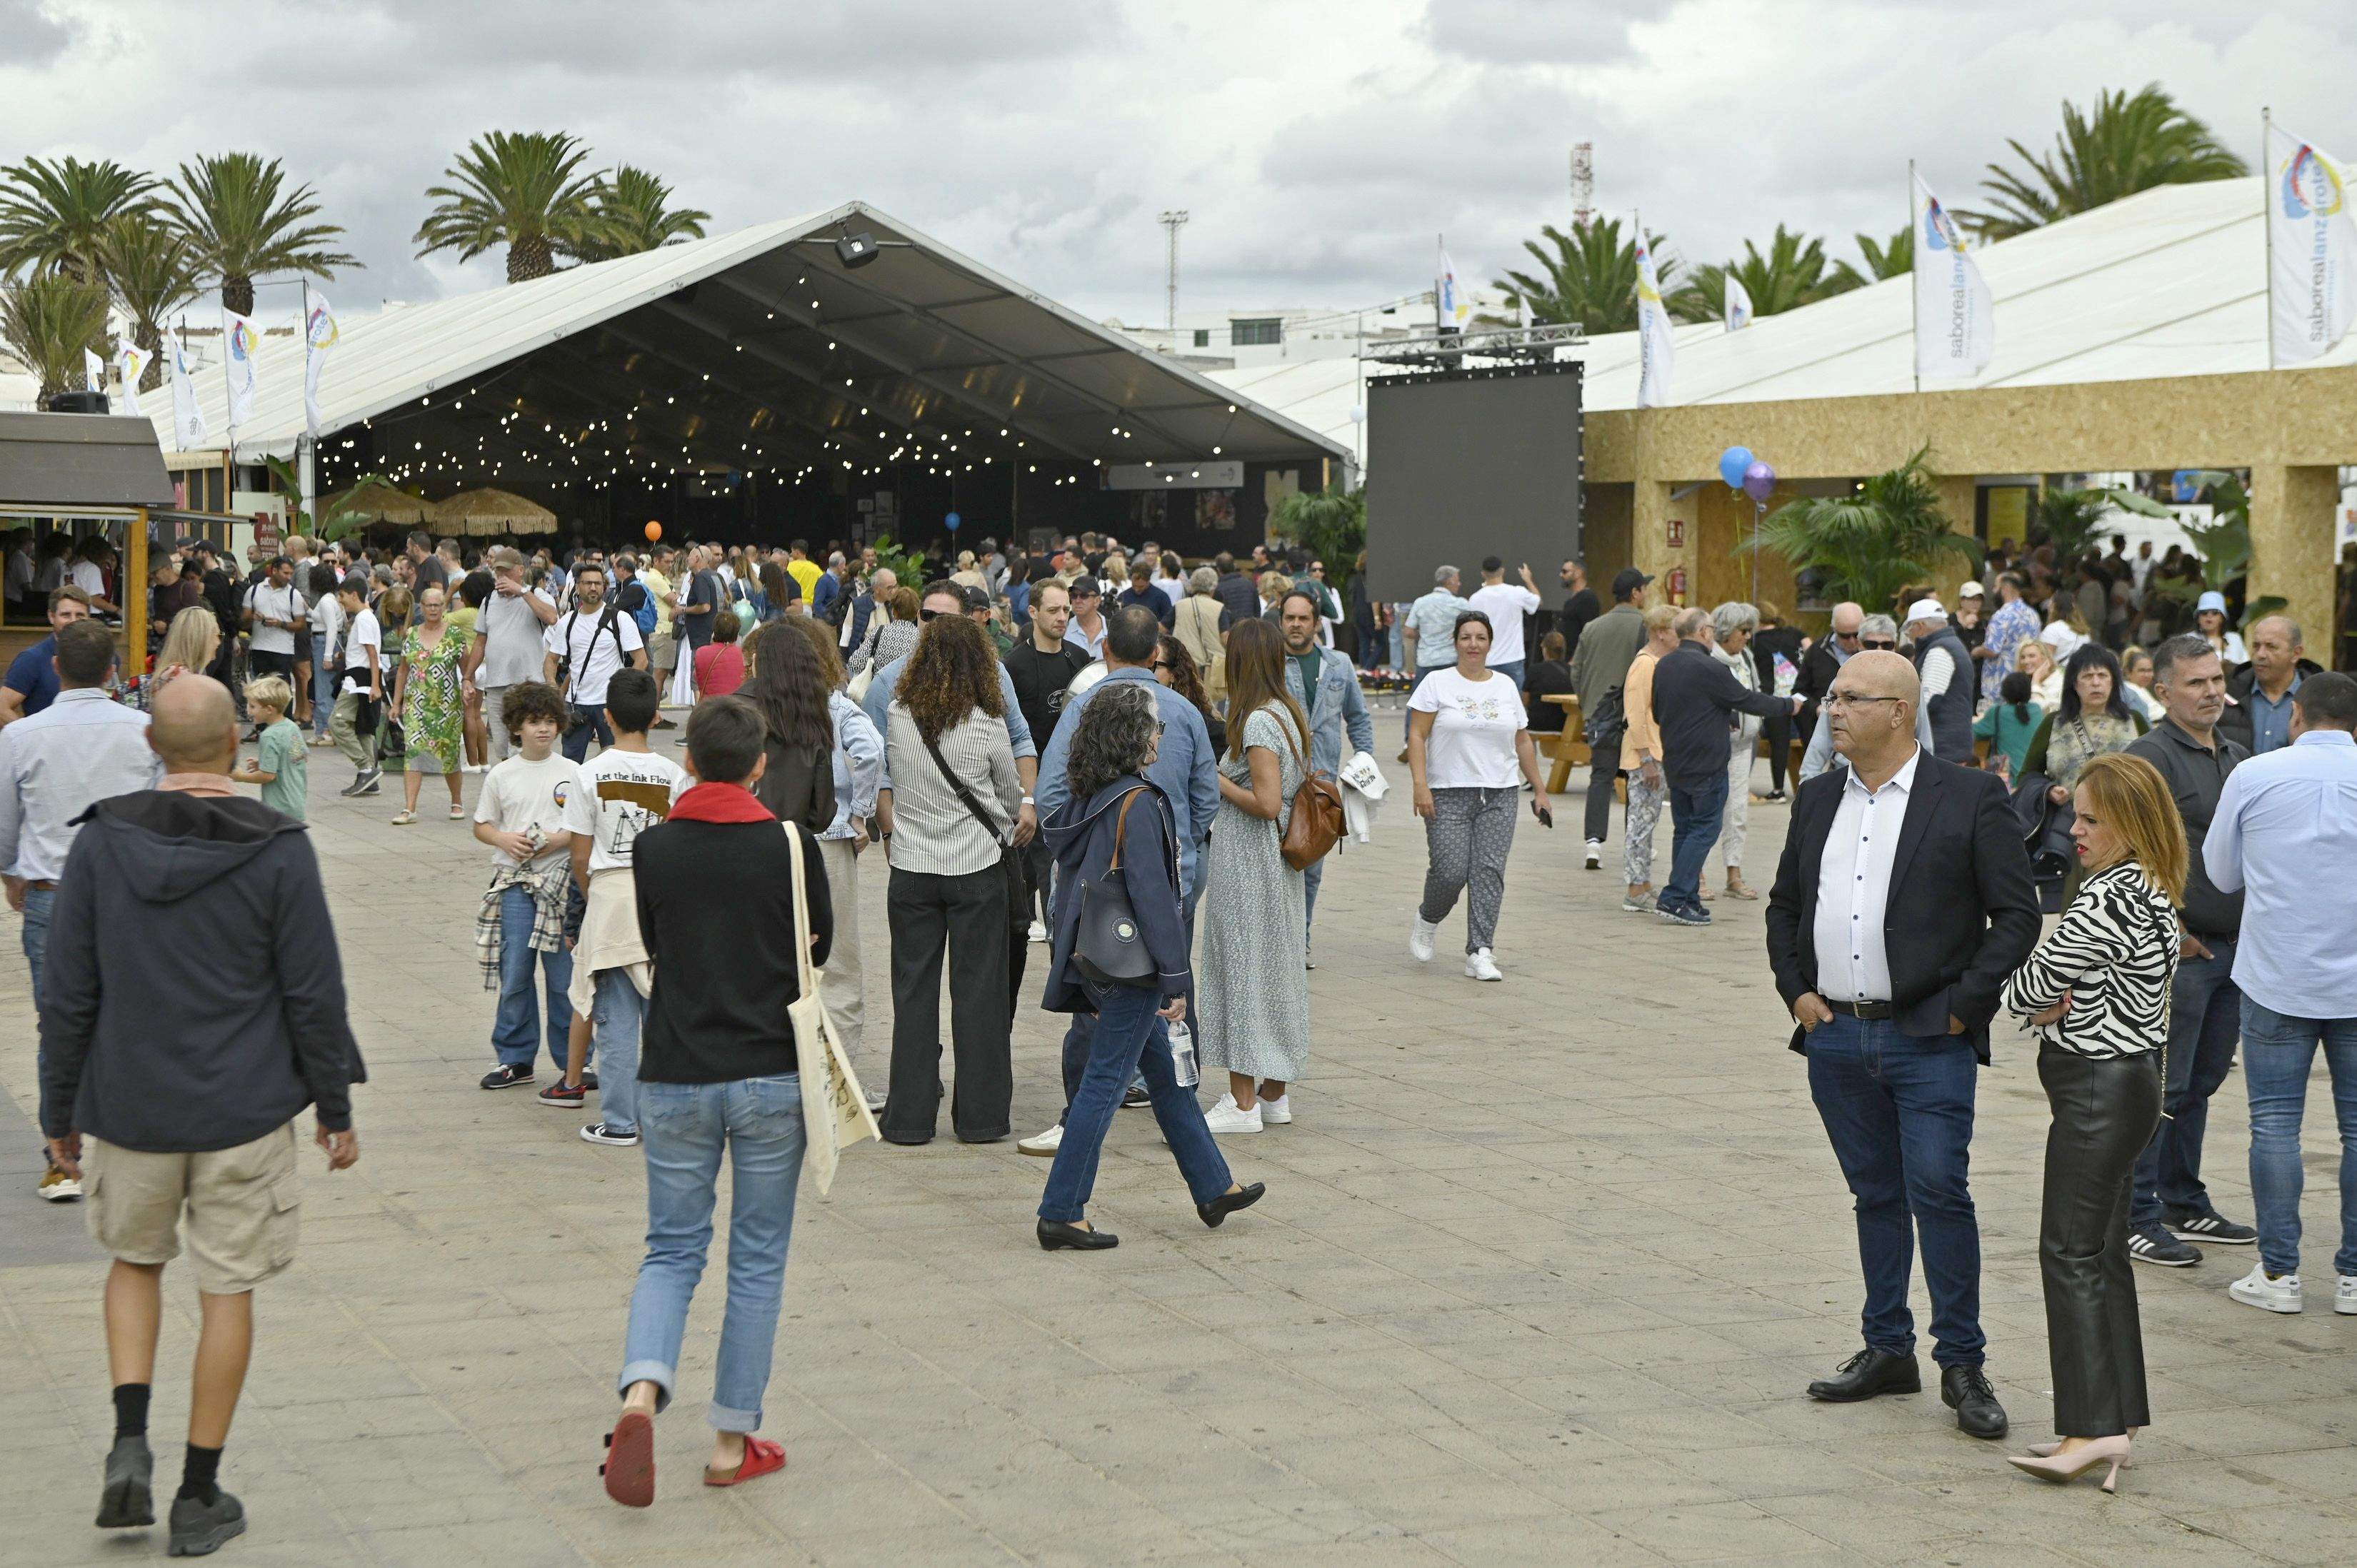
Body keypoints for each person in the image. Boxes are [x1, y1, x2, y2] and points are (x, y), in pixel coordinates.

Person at [36, 674, 363, 1557]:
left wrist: (57, 1113)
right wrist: (334, 1108)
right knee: (227, 1289)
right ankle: (198, 1493)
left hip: (131, 1106)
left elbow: (68, 994)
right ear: (234, 748)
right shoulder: (280, 846)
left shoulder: (102, 844)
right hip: (243, 1111)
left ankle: (128, 1440)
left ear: (151, 749)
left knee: (135, 1264)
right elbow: (313, 991)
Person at [1765, 650, 2039, 1440]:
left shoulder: (1971, 796)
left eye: (1850, 698)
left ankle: (1962, 1362)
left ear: (1898, 710)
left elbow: (2016, 915)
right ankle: (1888, 1348)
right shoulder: (1817, 798)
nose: (1832, 709)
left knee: (1939, 1191)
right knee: (1875, 1195)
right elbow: (1786, 906)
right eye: (1831, 697)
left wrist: (1964, 1008)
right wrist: (1799, 993)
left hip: (1929, 1037)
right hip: (1837, 1036)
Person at [600, 695, 829, 1509]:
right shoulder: (791, 846)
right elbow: (821, 946)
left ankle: (641, 1393)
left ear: (688, 761)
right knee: (757, 1257)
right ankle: (732, 1440)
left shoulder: (655, 849)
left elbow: (659, 948)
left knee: (671, 1249)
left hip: (675, 1072)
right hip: (769, 1074)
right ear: (760, 764)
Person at [1998, 753, 2183, 1489]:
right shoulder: (2151, 887)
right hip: (2125, 1087)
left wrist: (2033, 998)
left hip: (2098, 1093)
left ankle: (2091, 1428)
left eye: (2089, 820)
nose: (2073, 829)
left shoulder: (2107, 899)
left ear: (2129, 826)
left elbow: (2033, 984)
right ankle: (2116, 1420)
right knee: (2101, 1256)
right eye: (2074, 815)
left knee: (2070, 1254)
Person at [1032, 681, 1263, 1250]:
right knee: (1104, 1084)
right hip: (1132, 964)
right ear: (1134, 739)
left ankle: (1213, 1186)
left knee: (1166, 1077)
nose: (1160, 735)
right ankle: (1061, 1210)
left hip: (1099, 955)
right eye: (1154, 728)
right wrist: (1176, 975)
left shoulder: (1094, 795)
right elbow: (1154, 895)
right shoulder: (1140, 801)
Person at [1021, 606, 1219, 1156]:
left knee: (1097, 987)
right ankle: (1181, 1112)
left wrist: (1083, 850)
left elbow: (1056, 797)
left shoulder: (1084, 707)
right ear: (1157, 652)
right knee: (1171, 988)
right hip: (1171, 877)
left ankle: (1076, 1114)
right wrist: (1176, 845)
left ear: (1105, 650)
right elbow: (1205, 799)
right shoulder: (1183, 711)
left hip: (1096, 885)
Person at [2202, 671, 2357, 1316]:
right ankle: (2353, 1278)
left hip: (2275, 973)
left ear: (2298, 715)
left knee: (2273, 1125)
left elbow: (2221, 871)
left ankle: (2279, 1273)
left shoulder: (2254, 774)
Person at [1, 619, 165, 1202]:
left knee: (59, 1028)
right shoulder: (146, 730)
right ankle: (135, 1154)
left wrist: (12, 875)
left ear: (54, 668)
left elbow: (4, 824)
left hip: (53, 894)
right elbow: (163, 815)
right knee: (136, 1019)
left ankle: (60, 1156)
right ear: (113, 671)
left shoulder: (20, 736)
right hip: (128, 893)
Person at [2121, 635, 2257, 1266]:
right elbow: (2125, 850)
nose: (2211, 692)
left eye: (2216, 679)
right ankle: (2136, 1214)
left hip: (2238, 949)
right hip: (2181, 951)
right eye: (2196, 682)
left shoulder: (2237, 754)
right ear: (2164, 691)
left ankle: (2183, 1199)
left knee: (2201, 1082)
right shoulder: (2147, 759)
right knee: (2163, 1086)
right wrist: (2169, 928)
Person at [876, 613, 1021, 1146]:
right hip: (975, 868)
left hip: (911, 869)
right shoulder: (986, 721)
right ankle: (981, 1119)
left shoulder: (898, 714)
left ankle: (908, 1120)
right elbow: (1008, 794)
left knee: (913, 997)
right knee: (979, 995)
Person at [542, 669, 683, 1144]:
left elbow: (579, 855)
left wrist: (592, 896)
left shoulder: (588, 774)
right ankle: (664, 1118)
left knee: (616, 1019)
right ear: (656, 716)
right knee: (661, 1015)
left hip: (608, 898)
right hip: (663, 901)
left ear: (606, 717)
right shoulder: (674, 775)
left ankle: (621, 1123)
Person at [1196, 618, 1312, 1134]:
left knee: (1242, 970)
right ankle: (1273, 1094)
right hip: (1276, 867)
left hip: (1251, 865)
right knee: (1273, 968)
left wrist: (1217, 779)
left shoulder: (1260, 722)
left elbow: (1266, 803)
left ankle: (1242, 1103)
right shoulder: (1287, 713)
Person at [1406, 610, 1553, 980]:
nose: (1474, 644)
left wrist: (1540, 789)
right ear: (1456, 642)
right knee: (1450, 871)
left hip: (1499, 792)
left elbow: (1521, 739)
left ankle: (1481, 950)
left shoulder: (1504, 686)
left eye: (1481, 638)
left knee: (1489, 872)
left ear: (1490, 643)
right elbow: (1417, 736)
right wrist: (1420, 784)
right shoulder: (1437, 683)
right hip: (1447, 792)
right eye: (1466, 637)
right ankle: (1428, 918)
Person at [1648, 607, 1801, 927]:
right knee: (1704, 829)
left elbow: (1660, 712)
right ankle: (1675, 896)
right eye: (1712, 629)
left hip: (1676, 759)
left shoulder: (1665, 665)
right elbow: (1747, 700)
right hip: (1707, 761)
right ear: (1703, 632)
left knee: (1686, 829)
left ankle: (1687, 898)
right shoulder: (1710, 667)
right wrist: (1789, 705)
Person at [788, 617, 882, 1099]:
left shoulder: (763, 706)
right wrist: (862, 812)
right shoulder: (836, 707)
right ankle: (836, 1081)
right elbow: (870, 752)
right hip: (829, 838)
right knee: (839, 962)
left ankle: (789, 1071)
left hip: (775, 841)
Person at [473, 681, 582, 1092]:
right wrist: (504, 839)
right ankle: (515, 1058)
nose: (543, 730)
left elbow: (583, 828)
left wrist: (560, 840)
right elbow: (482, 825)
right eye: (534, 722)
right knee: (515, 970)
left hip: (561, 885)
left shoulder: (573, 772)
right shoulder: (502, 774)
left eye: (550, 721)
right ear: (516, 727)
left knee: (563, 978)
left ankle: (574, 1060)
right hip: (515, 885)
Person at [1276, 589, 1375, 957]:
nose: (1296, 624)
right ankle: (1278, 941)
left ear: (1317, 623)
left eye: (1304, 618)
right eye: (1290, 618)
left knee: (1311, 864)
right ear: (1281, 621)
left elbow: (1359, 718)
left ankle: (1299, 939)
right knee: (1275, 864)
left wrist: (1365, 761)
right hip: (1278, 779)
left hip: (1322, 783)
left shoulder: (1339, 665)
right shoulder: (1271, 662)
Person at [1003, 581, 1091, 940]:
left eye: (1066, 610)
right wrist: (1025, 791)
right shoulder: (1013, 664)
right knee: (1029, 872)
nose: (1062, 617)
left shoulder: (1080, 660)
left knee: (1066, 872)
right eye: (1053, 610)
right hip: (1028, 783)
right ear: (1033, 612)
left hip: (1075, 782)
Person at [1571, 569, 1651, 867]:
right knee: (1637, 779)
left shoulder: (1592, 627)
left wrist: (1588, 705)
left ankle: (1593, 842)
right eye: (1644, 589)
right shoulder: (1645, 626)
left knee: (1601, 777)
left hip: (1599, 714)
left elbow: (1576, 671)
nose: (1646, 594)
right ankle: (1636, 840)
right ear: (1635, 593)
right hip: (1634, 716)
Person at [544, 563, 648, 763]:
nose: (593, 588)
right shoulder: (568, 621)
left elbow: (641, 660)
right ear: (577, 586)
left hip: (610, 705)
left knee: (616, 763)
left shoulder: (620, 619)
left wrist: (623, 693)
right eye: (588, 583)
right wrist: (552, 685)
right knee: (571, 765)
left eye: (598, 584)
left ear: (604, 587)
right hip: (576, 706)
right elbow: (551, 659)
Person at [465, 547, 561, 762]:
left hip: (527, 684)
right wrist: (467, 677)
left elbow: (552, 617)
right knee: (501, 748)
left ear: (520, 570)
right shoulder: (489, 600)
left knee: (521, 746)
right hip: (496, 684)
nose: (502, 577)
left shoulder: (536, 594)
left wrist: (522, 592)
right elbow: (480, 643)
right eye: (498, 572)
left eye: (507, 572)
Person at [1705, 601, 1773, 901]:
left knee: (1738, 812)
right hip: (1713, 749)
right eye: (1743, 631)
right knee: (1707, 813)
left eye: (1750, 631)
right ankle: (1698, 875)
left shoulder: (1745, 656)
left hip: (1744, 746)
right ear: (1725, 631)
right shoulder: (1709, 660)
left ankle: (1734, 874)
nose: (1748, 636)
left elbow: (1753, 694)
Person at [1616, 605, 1679, 912]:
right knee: (1639, 822)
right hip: (1645, 755)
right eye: (1676, 629)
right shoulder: (1645, 665)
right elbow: (1636, 713)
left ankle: (1644, 883)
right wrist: (1645, 758)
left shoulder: (1659, 663)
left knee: (1648, 820)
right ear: (1661, 633)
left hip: (1655, 751)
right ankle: (1634, 887)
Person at [389, 585, 469, 825]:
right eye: (429, 605)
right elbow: (403, 670)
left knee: (449, 754)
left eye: (438, 605)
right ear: (421, 608)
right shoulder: (411, 634)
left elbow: (466, 668)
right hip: (416, 704)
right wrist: (396, 702)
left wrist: (468, 685)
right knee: (413, 752)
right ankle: (409, 807)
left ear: (443, 607)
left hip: (447, 705)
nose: (433, 609)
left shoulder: (454, 634)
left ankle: (457, 801)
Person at [2218, 615, 2318, 757]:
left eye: (2271, 647)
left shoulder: (2317, 700)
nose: (2260, 654)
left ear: (2296, 654)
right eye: (2256, 646)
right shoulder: (2228, 694)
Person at [0, 583, 94, 725]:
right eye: (66, 615)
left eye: (80, 615)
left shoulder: (101, 656)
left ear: (89, 618)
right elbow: (2, 709)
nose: (73, 621)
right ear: (51, 616)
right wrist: (32, 738)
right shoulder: (32, 659)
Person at [326, 578, 386, 798]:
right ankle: (370, 779)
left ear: (354, 595)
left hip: (359, 681)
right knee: (362, 728)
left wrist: (375, 685)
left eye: (342, 596)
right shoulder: (365, 619)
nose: (341, 601)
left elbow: (372, 654)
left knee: (337, 722)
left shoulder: (363, 619)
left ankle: (366, 767)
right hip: (361, 678)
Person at [1399, 564, 1470, 745]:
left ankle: (1410, 740)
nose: (1459, 584)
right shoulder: (1461, 604)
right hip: (1450, 660)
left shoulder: (1421, 602)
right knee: (1453, 701)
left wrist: (1422, 635)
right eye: (1457, 580)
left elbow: (1408, 631)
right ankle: (1451, 739)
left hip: (1426, 659)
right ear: (1449, 581)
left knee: (1418, 702)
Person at [1903, 598, 1976, 763]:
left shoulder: (1939, 651)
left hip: (1943, 749)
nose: (1909, 636)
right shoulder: (1952, 645)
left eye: (1909, 630)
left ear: (1920, 627)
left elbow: (1928, 701)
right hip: (1952, 747)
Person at [1749, 601, 1806, 800]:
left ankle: (1778, 789)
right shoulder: (1794, 633)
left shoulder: (1755, 640)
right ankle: (1807, 787)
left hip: (1772, 697)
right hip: (1799, 694)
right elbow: (1809, 647)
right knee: (1804, 741)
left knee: (1778, 743)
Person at [231, 675, 306, 820]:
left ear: (269, 710)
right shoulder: (292, 727)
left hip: (279, 806)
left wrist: (240, 777)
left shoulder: (269, 736)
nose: (248, 710)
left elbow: (267, 776)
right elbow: (298, 757)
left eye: (253, 706)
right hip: (296, 801)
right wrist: (267, 761)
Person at [1464, 557, 1543, 688]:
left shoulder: (1475, 599)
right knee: (1515, 703)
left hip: (1486, 660)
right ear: (1502, 571)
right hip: (1512, 658)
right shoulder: (1517, 593)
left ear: (1483, 574)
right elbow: (1537, 602)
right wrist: (1528, 579)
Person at [1794, 600, 1863, 743]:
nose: (1852, 640)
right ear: (1834, 629)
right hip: (1826, 730)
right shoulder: (1816, 651)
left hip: (1861, 731)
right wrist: (1817, 709)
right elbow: (1799, 692)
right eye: (1845, 636)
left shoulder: (1872, 650)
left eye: (1857, 634)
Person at [1973, 671, 2045, 783]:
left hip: (2008, 781)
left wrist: (1978, 719)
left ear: (2004, 693)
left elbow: (1974, 732)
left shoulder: (1998, 712)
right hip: (2033, 780)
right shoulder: (2037, 710)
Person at [1981, 575, 2041, 702]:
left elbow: (1992, 650)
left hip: (1999, 685)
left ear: (2005, 589)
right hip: (2025, 681)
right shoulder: (2033, 615)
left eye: (1996, 587)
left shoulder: (2001, 616)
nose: (1993, 591)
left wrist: (1976, 652)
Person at [1173, 566, 1226, 697]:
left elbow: (1162, 628)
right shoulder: (1219, 608)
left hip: (1184, 664)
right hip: (1211, 668)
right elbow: (1225, 638)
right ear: (1213, 586)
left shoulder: (1180, 605)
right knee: (1210, 705)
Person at [1524, 631, 1573, 734]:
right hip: (1564, 726)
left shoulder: (1534, 670)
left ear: (1545, 649)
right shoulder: (1573, 672)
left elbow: (1525, 701)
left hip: (1537, 726)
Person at [694, 609, 747, 697]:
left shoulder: (701, 652)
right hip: (735, 706)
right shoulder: (743, 655)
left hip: (709, 706)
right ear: (736, 634)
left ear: (714, 632)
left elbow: (697, 677)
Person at [2190, 590, 2248, 667]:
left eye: (2215, 612)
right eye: (2204, 613)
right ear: (2198, 618)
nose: (2209, 616)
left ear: (2222, 618)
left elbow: (2246, 667)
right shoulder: (2188, 640)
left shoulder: (2235, 639)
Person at [1558, 559, 1601, 659]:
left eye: (1565, 571)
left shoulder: (1588, 599)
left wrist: (1576, 659)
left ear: (1578, 573)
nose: (1561, 575)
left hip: (1576, 660)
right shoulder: (1571, 601)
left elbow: (1589, 633)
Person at [1063, 576, 1109, 659]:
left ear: (1097, 601)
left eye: (1084, 596)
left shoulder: (1112, 628)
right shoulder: (1063, 627)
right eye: (1073, 596)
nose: (1077, 600)